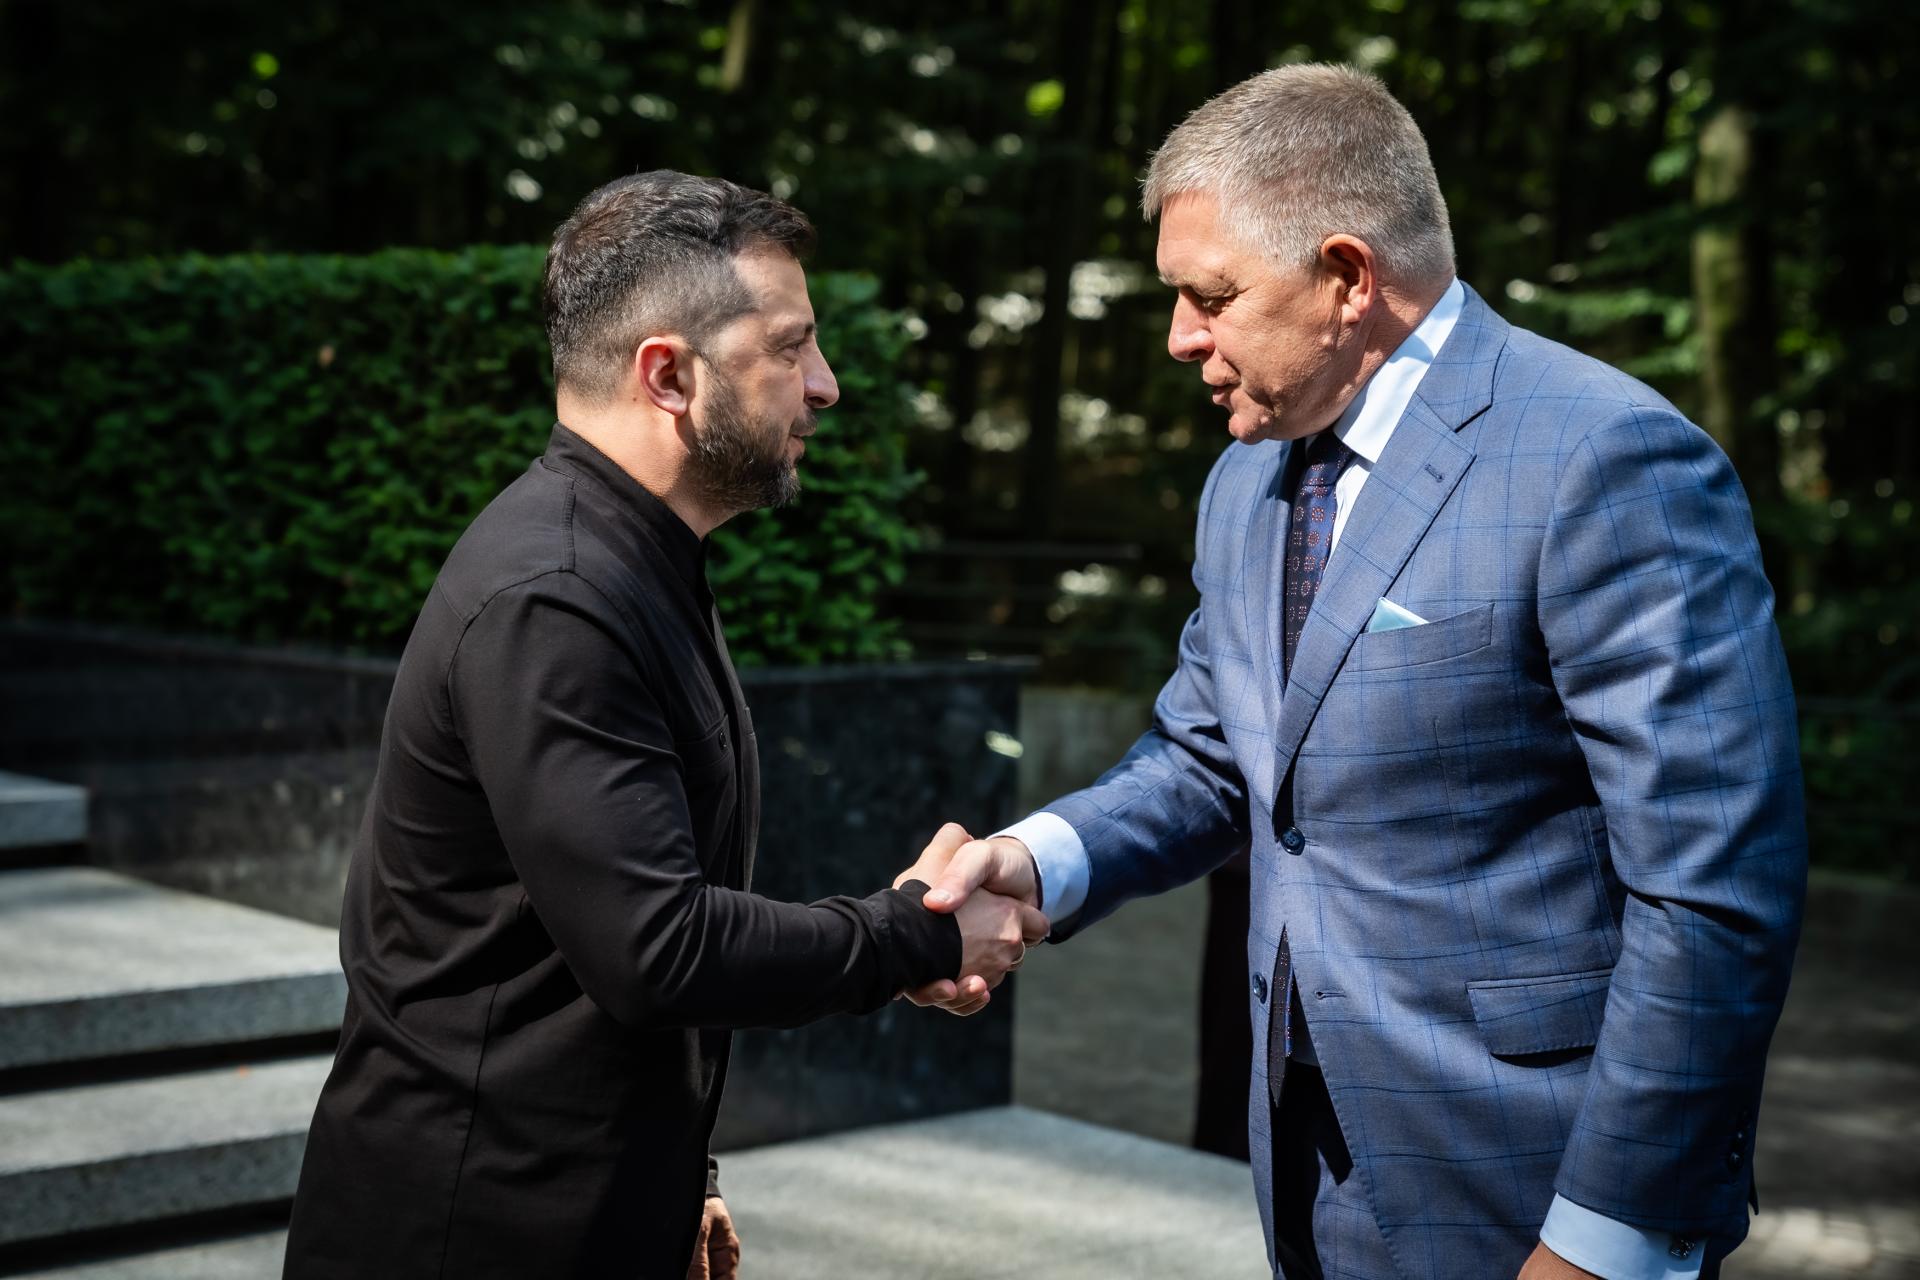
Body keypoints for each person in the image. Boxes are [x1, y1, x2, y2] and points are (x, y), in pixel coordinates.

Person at [905, 64, 1806, 1280]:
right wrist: (1029, 861)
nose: (1180, 337)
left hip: (1531, 1182)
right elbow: (1214, 755)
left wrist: (1609, 1238)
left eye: (1211, 297)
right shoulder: (1245, 475)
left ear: (1347, 277)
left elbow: (1713, 889)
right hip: (1305, 1168)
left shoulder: (1604, 457)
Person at [283, 172, 1047, 1280]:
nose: (825, 384)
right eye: (791, 346)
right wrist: (918, 934)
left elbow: (592, 940)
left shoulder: (633, 557)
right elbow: (660, 946)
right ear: (668, 375)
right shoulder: (557, 595)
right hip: (470, 1230)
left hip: (572, 1204)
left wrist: (685, 1171)